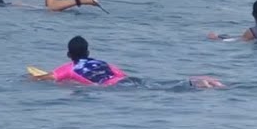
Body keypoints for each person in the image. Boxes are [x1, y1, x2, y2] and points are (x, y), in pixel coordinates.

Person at [30, 35, 225, 89]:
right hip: (129, 80)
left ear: (68, 54)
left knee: (162, 89)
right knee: (160, 85)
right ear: (89, 52)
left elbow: (47, 77)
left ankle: (196, 83)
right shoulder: (101, 62)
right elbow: (120, 74)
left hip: (116, 88)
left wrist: (28, 78)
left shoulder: (69, 68)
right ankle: (197, 80)